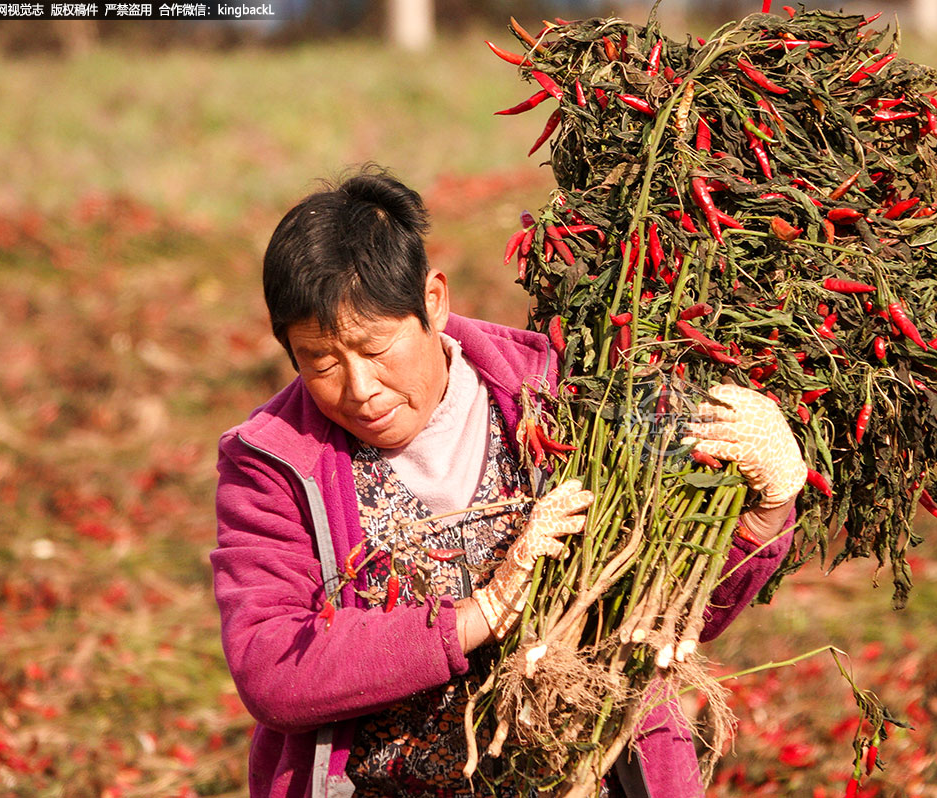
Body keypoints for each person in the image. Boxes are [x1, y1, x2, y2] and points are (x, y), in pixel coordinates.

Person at [211, 169, 806, 798]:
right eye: (322, 364)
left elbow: (665, 617)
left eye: (377, 349)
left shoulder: (564, 397)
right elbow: (272, 666)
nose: (359, 389)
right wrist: (479, 614)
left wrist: (769, 508)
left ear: (433, 301)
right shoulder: (273, 463)